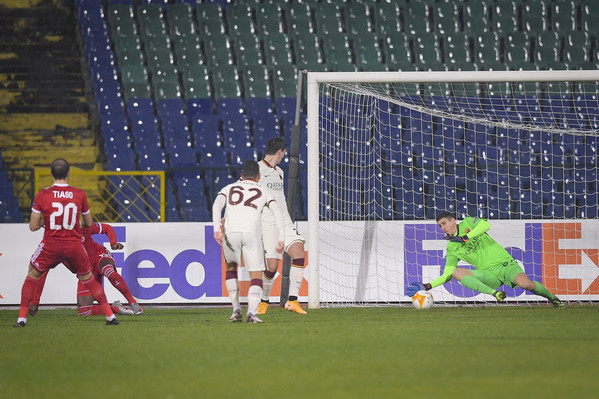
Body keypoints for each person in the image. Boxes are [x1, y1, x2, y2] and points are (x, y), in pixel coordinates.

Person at [14, 158, 119, 327]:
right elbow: (89, 223)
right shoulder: (79, 194)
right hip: (74, 245)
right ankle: (110, 315)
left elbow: (33, 226)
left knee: (32, 275)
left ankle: (21, 318)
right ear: (69, 173)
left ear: (50, 173)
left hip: (51, 244)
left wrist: (44, 222)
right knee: (89, 279)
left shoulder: (42, 195)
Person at [407, 211, 565, 308]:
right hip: (488, 275)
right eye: (440, 226)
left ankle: (553, 299)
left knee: (526, 284)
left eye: (444, 223)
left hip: (505, 264)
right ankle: (495, 293)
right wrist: (428, 285)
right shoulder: (451, 247)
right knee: (456, 272)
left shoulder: (468, 223)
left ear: (453, 220)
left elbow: (485, 225)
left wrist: (466, 237)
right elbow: (447, 274)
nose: (443, 227)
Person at [212, 160, 285, 323]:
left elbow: (217, 204)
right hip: (252, 233)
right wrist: (281, 237)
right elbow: (277, 212)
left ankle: (236, 309)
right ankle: (251, 312)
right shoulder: (264, 190)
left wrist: (216, 228)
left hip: (231, 233)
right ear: (259, 176)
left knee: (231, 269)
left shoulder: (229, 188)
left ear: (241, 175)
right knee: (256, 276)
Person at [28, 222, 143, 317]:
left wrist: (113, 242)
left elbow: (107, 228)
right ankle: (116, 308)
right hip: (86, 272)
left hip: (98, 255)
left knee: (108, 271)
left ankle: (132, 302)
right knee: (84, 312)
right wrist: (35, 301)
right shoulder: (54, 247)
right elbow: (43, 272)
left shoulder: (81, 226)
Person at [256, 137, 308, 315]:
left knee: (299, 252)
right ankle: (263, 301)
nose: (283, 157)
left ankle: (292, 300)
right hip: (268, 222)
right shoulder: (256, 169)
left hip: (284, 220)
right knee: (272, 267)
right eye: (283, 154)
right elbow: (241, 190)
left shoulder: (279, 172)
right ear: (280, 152)